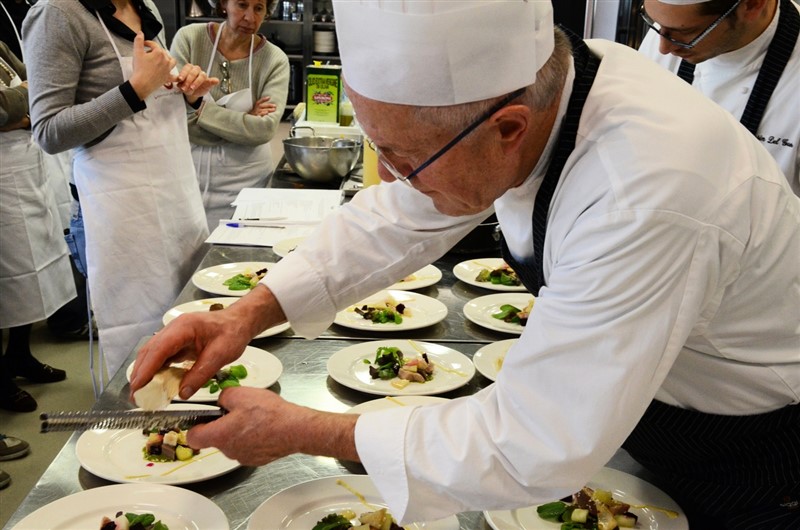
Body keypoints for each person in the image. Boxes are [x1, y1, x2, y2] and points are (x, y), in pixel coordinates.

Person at [131, 1, 800, 529]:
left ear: (508, 127)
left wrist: (302, 430)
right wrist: (246, 312)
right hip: (645, 408)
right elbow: (401, 213)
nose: (391, 177)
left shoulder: (649, 191)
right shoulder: (555, 91)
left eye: (403, 158)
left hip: (749, 452)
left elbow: (531, 439)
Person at [23, 0, 218, 378]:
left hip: (177, 204)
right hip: (125, 214)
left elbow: (158, 97)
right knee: (141, 346)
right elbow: (48, 131)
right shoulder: (58, 14)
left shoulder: (145, 8)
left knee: (187, 332)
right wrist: (134, 90)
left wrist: (188, 92)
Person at [638, 0, 799, 196]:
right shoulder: (669, 28)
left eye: (687, 32)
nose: (663, 48)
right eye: (654, 23)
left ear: (752, 5)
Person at [0, 41, 74, 412]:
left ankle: (18, 355)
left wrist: (22, 103)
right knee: (7, 276)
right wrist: (22, 102)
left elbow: (38, 81)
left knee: (33, 267)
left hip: (24, 165)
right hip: (3, 174)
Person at [171, 0, 290, 229]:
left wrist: (197, 106)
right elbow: (174, 114)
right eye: (242, 5)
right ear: (224, 4)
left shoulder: (275, 60)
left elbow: (263, 129)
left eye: (259, 8)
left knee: (235, 255)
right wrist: (245, 119)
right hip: (188, 174)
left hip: (247, 180)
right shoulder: (189, 39)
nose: (250, 17)